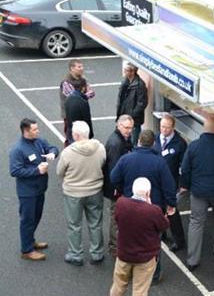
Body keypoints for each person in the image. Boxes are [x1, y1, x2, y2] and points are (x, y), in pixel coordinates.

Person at [110, 129, 176, 284]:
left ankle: (129, 270)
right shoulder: (160, 162)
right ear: (153, 143)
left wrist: (122, 190)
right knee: (153, 242)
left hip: (130, 206)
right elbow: (169, 186)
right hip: (153, 208)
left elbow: (114, 177)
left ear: (138, 140)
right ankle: (153, 274)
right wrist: (171, 204)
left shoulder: (126, 159)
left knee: (128, 238)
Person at [180, 116, 214, 271]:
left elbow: (185, 169)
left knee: (196, 222)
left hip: (198, 191)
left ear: (204, 129)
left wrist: (186, 185)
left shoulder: (194, 146)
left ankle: (192, 260)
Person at [56, 121, 106, 266]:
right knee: (95, 223)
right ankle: (97, 253)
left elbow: (60, 172)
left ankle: (75, 254)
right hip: (95, 190)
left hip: (73, 193)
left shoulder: (68, 153)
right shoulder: (100, 148)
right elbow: (103, 163)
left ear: (76, 135)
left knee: (74, 225)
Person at [110, 177, 170, 296]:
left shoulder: (121, 203)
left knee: (118, 285)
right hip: (145, 258)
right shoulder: (153, 211)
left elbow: (116, 219)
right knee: (140, 291)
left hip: (124, 254)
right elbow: (164, 226)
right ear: (148, 193)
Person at [9, 118, 59, 261]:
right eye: (35, 129)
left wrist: (52, 153)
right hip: (27, 192)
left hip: (40, 189)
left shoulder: (39, 141)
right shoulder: (18, 150)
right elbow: (15, 171)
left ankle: (30, 241)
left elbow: (52, 147)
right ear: (26, 131)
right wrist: (36, 170)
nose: (38, 131)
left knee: (36, 217)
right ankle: (26, 250)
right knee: (27, 220)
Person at [153, 113, 187, 252]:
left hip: (170, 183)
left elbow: (184, 166)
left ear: (173, 127)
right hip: (156, 182)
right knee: (158, 210)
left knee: (172, 212)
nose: (164, 130)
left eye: (167, 127)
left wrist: (182, 184)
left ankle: (179, 241)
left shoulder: (180, 143)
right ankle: (162, 233)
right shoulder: (155, 139)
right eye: (162, 126)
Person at [103, 114, 134, 256]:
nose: (129, 130)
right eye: (126, 127)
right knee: (116, 216)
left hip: (118, 187)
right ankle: (115, 246)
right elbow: (114, 170)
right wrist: (118, 189)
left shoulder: (122, 139)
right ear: (118, 125)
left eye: (130, 128)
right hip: (116, 188)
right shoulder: (116, 144)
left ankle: (117, 244)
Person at [60, 59, 95, 146]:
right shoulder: (66, 82)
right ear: (72, 68)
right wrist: (84, 96)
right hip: (69, 114)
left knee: (84, 134)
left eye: (82, 66)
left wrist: (82, 96)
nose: (82, 68)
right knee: (70, 136)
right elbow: (73, 99)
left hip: (82, 112)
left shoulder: (83, 79)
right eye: (79, 67)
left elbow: (92, 93)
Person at [116, 62, 148, 146]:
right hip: (124, 115)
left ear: (132, 72)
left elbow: (142, 103)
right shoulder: (125, 82)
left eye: (126, 70)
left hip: (134, 120)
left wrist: (131, 116)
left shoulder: (140, 85)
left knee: (133, 141)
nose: (124, 72)